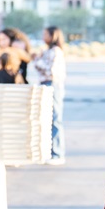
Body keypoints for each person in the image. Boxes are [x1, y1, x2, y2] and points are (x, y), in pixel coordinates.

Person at [33, 26, 67, 165]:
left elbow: (50, 70)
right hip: (46, 83)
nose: (43, 36)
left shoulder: (55, 51)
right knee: (47, 118)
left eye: (45, 34)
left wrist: (37, 60)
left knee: (55, 118)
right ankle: (51, 152)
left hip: (52, 83)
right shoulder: (47, 51)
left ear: (53, 36)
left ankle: (58, 153)